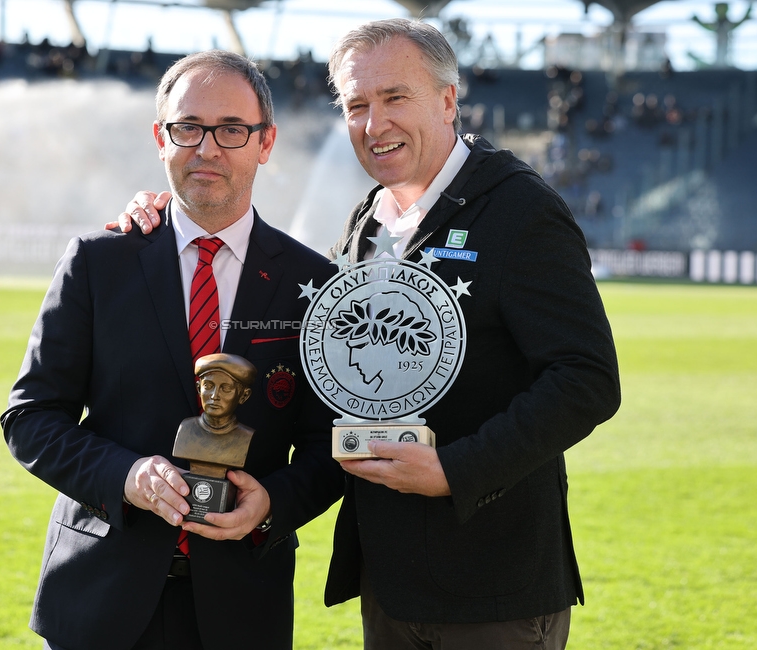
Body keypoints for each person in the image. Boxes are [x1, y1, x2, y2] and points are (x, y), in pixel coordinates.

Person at [112, 17, 621, 650]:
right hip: (391, 582)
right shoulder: (365, 227)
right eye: (356, 105)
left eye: (393, 98)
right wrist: (171, 215)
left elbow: (588, 379)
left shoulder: (520, 211)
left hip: (493, 587)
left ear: (447, 100)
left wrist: (455, 470)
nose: (373, 123)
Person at [2, 49, 343, 650]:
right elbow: (30, 419)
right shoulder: (98, 262)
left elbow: (327, 446)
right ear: (161, 137)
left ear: (265, 143)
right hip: (99, 601)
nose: (208, 148)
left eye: (232, 130)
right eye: (188, 128)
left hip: (241, 608)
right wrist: (127, 475)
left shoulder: (313, 284)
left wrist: (271, 503)